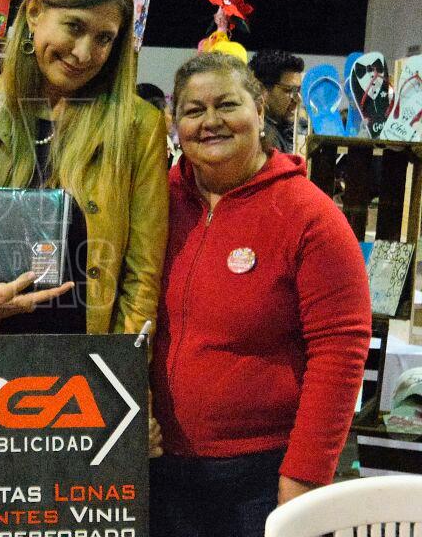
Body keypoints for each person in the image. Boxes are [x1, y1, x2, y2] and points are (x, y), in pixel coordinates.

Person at [150, 52, 371, 537]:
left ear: (259, 109)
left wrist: (305, 476)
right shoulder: (156, 203)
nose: (210, 121)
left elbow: (340, 350)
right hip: (158, 468)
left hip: (261, 477)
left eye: (227, 105)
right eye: (193, 110)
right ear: (176, 124)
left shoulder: (310, 216)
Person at [0, 0, 168, 341]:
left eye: (104, 38)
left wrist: (120, 363)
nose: (84, 53)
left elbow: (142, 277)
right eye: (74, 27)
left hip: (84, 362)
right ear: (34, 13)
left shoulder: (137, 127)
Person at [248, 49, 305, 153]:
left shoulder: (287, 127)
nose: (297, 99)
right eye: (288, 90)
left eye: (298, 90)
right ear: (261, 89)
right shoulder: (258, 135)